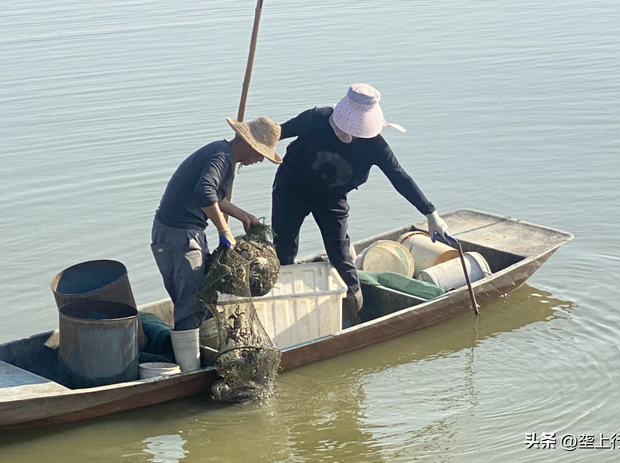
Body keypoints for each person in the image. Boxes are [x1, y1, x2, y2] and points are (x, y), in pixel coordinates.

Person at [272, 83, 450, 325]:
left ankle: (355, 313)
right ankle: (281, 309)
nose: (351, 135)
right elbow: (277, 132)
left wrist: (431, 213)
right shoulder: (315, 119)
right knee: (283, 248)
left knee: (341, 257)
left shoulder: (374, 145)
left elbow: (399, 177)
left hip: (332, 198)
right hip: (291, 188)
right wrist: (247, 146)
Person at [151, 116, 282, 371]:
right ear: (251, 146)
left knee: (195, 299)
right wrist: (223, 230)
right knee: (191, 303)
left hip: (176, 233)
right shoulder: (221, 157)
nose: (258, 161)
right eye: (261, 155)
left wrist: (242, 215)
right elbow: (204, 193)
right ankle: (189, 372)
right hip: (179, 235)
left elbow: (215, 197)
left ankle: (193, 362)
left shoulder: (222, 154)